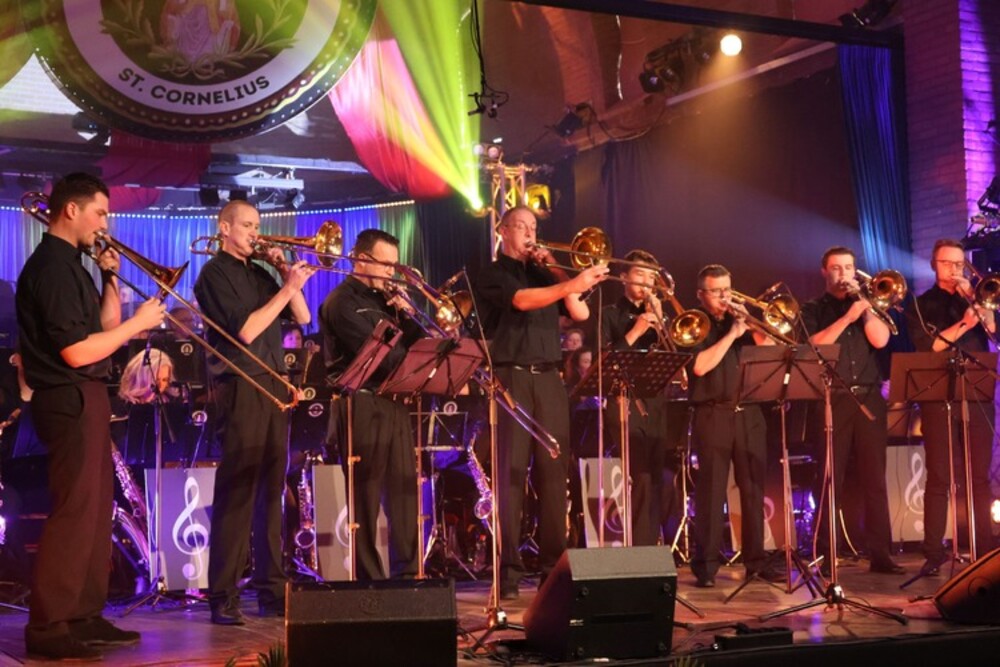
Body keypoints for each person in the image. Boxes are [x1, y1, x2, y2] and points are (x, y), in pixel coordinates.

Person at [16, 172, 165, 660]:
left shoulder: (74, 266)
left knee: (97, 511)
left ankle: (83, 614)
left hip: (88, 395)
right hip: (68, 396)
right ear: (71, 210)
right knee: (74, 512)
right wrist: (139, 324)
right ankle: (48, 626)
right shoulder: (52, 268)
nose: (105, 223)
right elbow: (77, 352)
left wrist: (110, 279)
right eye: (100, 212)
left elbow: (103, 329)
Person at [476, 206, 608, 599]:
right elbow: (521, 301)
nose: (530, 233)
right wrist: (569, 285)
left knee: (554, 474)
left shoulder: (545, 274)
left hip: (550, 379)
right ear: (503, 231)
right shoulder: (492, 273)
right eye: (521, 226)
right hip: (512, 377)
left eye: (533, 227)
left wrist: (561, 273)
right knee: (512, 474)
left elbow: (580, 311)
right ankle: (508, 571)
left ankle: (554, 569)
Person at [194, 199, 315, 625]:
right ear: (224, 228)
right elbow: (245, 331)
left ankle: (272, 590)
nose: (255, 233)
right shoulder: (213, 275)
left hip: (273, 386)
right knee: (238, 494)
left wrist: (285, 275)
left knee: (271, 494)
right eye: (247, 225)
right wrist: (285, 289)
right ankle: (222, 595)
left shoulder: (261, 273)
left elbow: (303, 316)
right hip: (240, 385)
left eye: (257, 226)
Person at [320, 229, 424, 579]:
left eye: (395, 265)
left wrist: (409, 315)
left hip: (394, 401)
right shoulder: (341, 302)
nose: (392, 273)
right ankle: (369, 579)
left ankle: (408, 576)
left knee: (403, 494)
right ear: (362, 260)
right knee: (365, 497)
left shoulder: (385, 299)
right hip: (360, 402)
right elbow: (385, 358)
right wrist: (405, 345)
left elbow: (421, 348)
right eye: (386, 264)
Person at [800, 246, 904, 575]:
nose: (843, 274)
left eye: (848, 267)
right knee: (831, 478)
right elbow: (813, 346)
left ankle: (881, 554)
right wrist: (846, 317)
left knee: (875, 479)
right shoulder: (813, 308)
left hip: (869, 397)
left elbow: (880, 341)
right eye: (836, 268)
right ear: (824, 272)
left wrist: (865, 309)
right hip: (833, 397)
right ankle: (826, 552)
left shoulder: (867, 304)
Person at [905, 239, 996, 572]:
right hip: (938, 396)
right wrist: (964, 324)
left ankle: (983, 550)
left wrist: (980, 305)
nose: (954, 269)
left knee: (979, 477)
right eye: (947, 263)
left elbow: (993, 333)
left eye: (959, 264)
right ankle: (933, 553)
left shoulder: (976, 298)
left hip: (976, 393)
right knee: (940, 477)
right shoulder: (921, 304)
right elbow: (929, 347)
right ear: (934, 265)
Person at [686, 264, 774, 587]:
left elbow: (771, 350)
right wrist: (732, 335)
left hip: (749, 411)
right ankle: (706, 567)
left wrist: (751, 324)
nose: (724, 297)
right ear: (701, 294)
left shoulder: (742, 321)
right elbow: (699, 367)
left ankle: (756, 562)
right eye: (716, 291)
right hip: (713, 413)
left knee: (753, 489)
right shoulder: (693, 322)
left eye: (727, 289)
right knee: (711, 490)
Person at [601, 249, 673, 546]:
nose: (646, 282)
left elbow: (674, 355)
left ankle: (650, 544)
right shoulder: (609, 314)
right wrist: (637, 329)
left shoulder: (658, 315)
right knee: (639, 476)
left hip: (655, 400)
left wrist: (661, 322)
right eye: (640, 275)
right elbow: (604, 363)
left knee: (657, 477)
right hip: (623, 401)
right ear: (623, 277)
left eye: (651, 277)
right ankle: (637, 548)